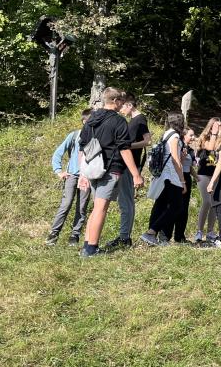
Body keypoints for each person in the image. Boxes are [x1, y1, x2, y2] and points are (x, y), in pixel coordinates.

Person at [77, 87, 144, 258]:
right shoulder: (118, 121)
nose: (123, 104)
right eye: (121, 101)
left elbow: (82, 148)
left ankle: (87, 245)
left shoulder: (91, 120)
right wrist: (136, 174)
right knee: (101, 208)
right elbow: (124, 149)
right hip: (110, 169)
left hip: (92, 168)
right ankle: (92, 249)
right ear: (115, 101)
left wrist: (82, 173)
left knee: (95, 208)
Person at [106, 92, 151, 249]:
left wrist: (126, 146)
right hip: (128, 165)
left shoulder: (139, 119)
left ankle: (124, 238)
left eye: (123, 105)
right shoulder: (133, 120)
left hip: (129, 166)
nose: (121, 109)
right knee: (127, 201)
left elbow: (148, 141)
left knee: (126, 201)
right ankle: (125, 236)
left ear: (130, 105)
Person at [46, 109, 94, 246]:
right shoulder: (75, 135)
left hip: (88, 177)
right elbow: (57, 154)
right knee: (66, 204)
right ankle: (54, 234)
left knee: (82, 206)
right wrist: (59, 171)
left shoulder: (97, 136)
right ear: (85, 121)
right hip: (72, 176)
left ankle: (75, 235)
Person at [140, 112, 187, 246]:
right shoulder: (175, 136)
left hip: (162, 176)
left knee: (160, 205)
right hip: (170, 176)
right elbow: (174, 159)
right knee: (177, 206)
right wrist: (182, 180)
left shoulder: (166, 134)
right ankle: (151, 233)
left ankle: (150, 236)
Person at [163, 127, 199, 244]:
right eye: (191, 135)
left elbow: (189, 166)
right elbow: (176, 162)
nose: (193, 138)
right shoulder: (178, 146)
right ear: (184, 136)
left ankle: (180, 236)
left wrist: (195, 176)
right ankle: (166, 236)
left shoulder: (190, 149)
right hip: (178, 178)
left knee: (184, 209)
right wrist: (182, 158)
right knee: (175, 207)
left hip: (186, 178)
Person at [194, 118, 221, 243]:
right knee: (206, 201)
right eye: (217, 126)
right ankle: (199, 230)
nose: (219, 129)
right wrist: (214, 134)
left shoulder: (220, 140)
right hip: (203, 174)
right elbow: (210, 147)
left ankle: (210, 231)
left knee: (214, 203)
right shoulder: (204, 139)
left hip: (215, 174)